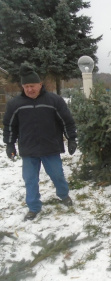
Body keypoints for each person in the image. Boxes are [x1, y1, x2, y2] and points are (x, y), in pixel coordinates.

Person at [2, 63, 77, 221]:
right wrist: (10, 144)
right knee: (30, 180)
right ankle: (34, 207)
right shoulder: (15, 104)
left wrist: (71, 138)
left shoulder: (54, 101)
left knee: (57, 175)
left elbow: (67, 121)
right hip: (28, 150)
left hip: (50, 147)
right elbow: (9, 126)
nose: (29, 89)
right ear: (23, 87)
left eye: (32, 85)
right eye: (26, 86)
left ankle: (64, 195)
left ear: (40, 85)